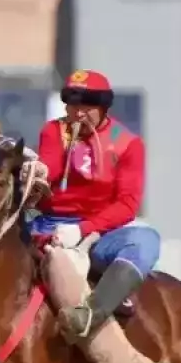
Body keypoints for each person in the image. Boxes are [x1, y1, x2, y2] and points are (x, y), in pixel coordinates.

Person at [27, 69, 159, 342]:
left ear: (103, 107)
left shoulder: (128, 144)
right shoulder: (53, 130)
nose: (78, 113)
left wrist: (83, 229)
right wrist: (37, 172)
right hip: (47, 226)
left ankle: (91, 313)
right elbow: (49, 167)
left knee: (146, 240)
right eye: (73, 104)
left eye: (87, 105)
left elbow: (127, 205)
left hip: (99, 234)